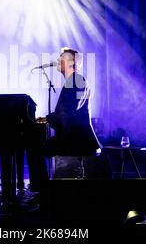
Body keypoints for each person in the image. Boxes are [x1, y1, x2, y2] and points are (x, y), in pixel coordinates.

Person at [26, 47, 102, 197]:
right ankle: (44, 191)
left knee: (35, 149)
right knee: (38, 146)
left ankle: (42, 192)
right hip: (75, 135)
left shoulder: (76, 81)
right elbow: (67, 111)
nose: (58, 60)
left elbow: (68, 112)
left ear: (71, 62)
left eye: (62, 57)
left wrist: (47, 118)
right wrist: (47, 118)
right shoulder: (75, 80)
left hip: (77, 138)